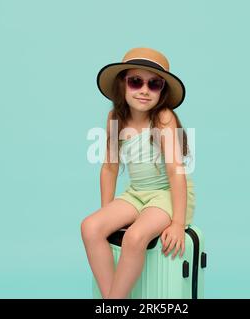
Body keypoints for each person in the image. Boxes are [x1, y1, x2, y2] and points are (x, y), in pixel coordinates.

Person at [81, 47, 196, 299]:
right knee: (90, 227)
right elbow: (110, 167)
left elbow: (176, 172)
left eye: (153, 84)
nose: (144, 90)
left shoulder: (163, 118)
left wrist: (177, 222)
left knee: (135, 237)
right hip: (137, 193)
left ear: (162, 90)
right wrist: (106, 211)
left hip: (167, 194)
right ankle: (114, 298)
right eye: (136, 82)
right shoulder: (116, 118)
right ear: (122, 85)